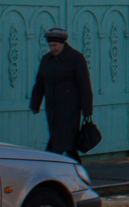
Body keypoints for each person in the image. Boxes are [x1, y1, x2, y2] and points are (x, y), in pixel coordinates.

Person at [30, 28, 94, 159]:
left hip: (70, 109)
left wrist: (87, 111)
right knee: (65, 143)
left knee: (60, 141)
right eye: (50, 46)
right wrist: (35, 104)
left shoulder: (76, 58)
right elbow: (40, 84)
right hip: (52, 108)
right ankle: (74, 169)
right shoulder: (46, 60)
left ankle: (52, 166)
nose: (52, 48)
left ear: (63, 43)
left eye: (55, 45)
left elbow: (85, 85)